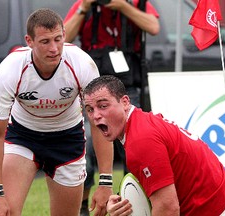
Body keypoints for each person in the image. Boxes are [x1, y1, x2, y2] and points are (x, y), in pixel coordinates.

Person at [0, 8, 113, 216]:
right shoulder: (10, 70)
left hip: (67, 139)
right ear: (30, 41)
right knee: (3, 213)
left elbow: (100, 124)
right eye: (45, 42)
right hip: (23, 137)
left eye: (58, 39)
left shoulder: (82, 64)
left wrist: (106, 181)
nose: (54, 48)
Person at [83, 75, 225, 216]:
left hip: (221, 210)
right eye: (90, 109)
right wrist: (123, 200)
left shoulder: (141, 140)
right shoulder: (141, 122)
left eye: (103, 106)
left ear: (125, 102)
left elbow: (168, 208)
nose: (96, 115)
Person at [64, 1, 159, 214]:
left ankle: (133, 204)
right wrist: (84, 8)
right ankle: (83, 206)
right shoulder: (85, 5)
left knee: (135, 151)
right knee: (84, 151)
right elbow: (64, 38)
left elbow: (153, 27)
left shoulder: (134, 3)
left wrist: (123, 7)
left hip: (126, 89)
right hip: (92, 91)